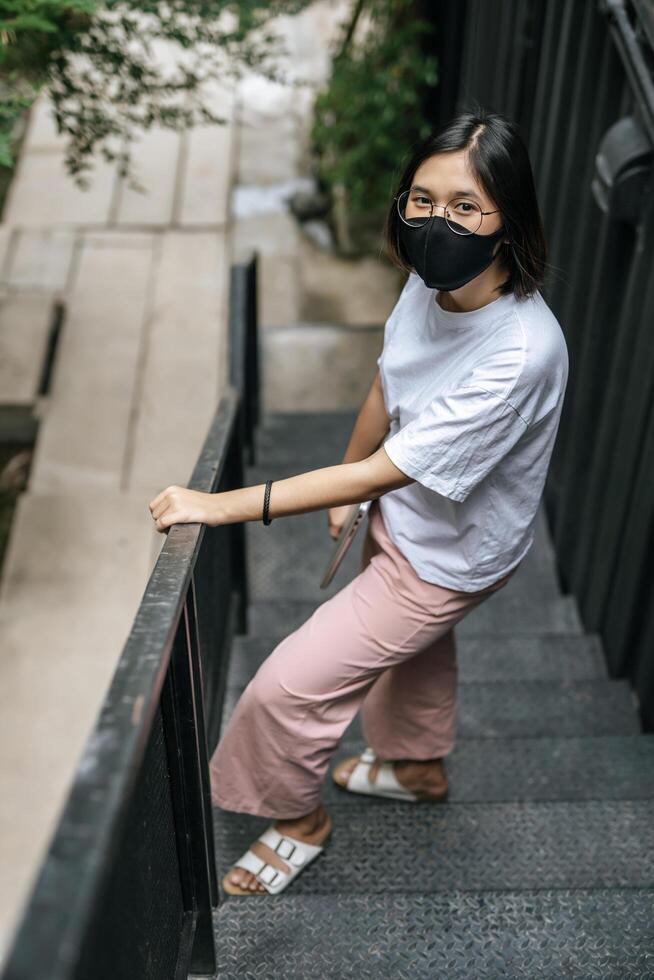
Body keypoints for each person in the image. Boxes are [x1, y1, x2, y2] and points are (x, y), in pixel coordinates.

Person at [148, 104, 570, 896]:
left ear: (508, 220)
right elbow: (391, 379)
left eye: (465, 207)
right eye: (422, 199)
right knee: (412, 656)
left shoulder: (518, 353)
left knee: (285, 689)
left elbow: (385, 473)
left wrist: (220, 503)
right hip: (415, 525)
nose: (435, 221)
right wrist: (348, 484)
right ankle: (417, 769)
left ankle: (300, 819)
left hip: (448, 558)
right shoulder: (432, 281)